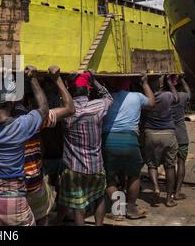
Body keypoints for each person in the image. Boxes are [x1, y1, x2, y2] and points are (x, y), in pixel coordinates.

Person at [0, 66, 49, 226]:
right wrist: (33, 78)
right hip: (15, 202)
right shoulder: (22, 125)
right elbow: (44, 109)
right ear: (13, 99)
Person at [15, 66, 75, 226]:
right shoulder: (33, 121)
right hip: (33, 183)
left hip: (6, 188)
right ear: (27, 100)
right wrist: (57, 79)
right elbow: (70, 108)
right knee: (41, 218)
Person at [56, 71, 113, 226]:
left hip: (74, 167)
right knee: (99, 197)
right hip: (96, 165)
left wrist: (60, 81)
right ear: (87, 90)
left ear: (70, 91)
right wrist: (94, 80)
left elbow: (57, 99)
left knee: (78, 205)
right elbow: (108, 97)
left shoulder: (65, 111)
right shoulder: (98, 106)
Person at [102, 75, 156, 220]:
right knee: (134, 175)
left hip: (109, 141)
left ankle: (118, 210)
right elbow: (151, 103)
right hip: (130, 140)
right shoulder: (136, 96)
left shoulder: (105, 100)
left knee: (109, 177)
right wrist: (145, 84)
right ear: (128, 84)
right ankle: (131, 209)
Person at [142, 75, 179, 207]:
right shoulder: (167, 96)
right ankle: (169, 199)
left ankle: (156, 187)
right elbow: (177, 98)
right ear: (159, 85)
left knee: (152, 164)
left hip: (150, 133)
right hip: (168, 133)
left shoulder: (144, 98)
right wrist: (170, 82)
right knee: (170, 166)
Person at [170, 75, 191, 201]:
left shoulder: (163, 97)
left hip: (168, 134)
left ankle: (169, 191)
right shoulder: (182, 96)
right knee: (181, 163)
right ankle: (177, 192)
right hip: (181, 135)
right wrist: (183, 79)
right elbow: (189, 93)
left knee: (170, 164)